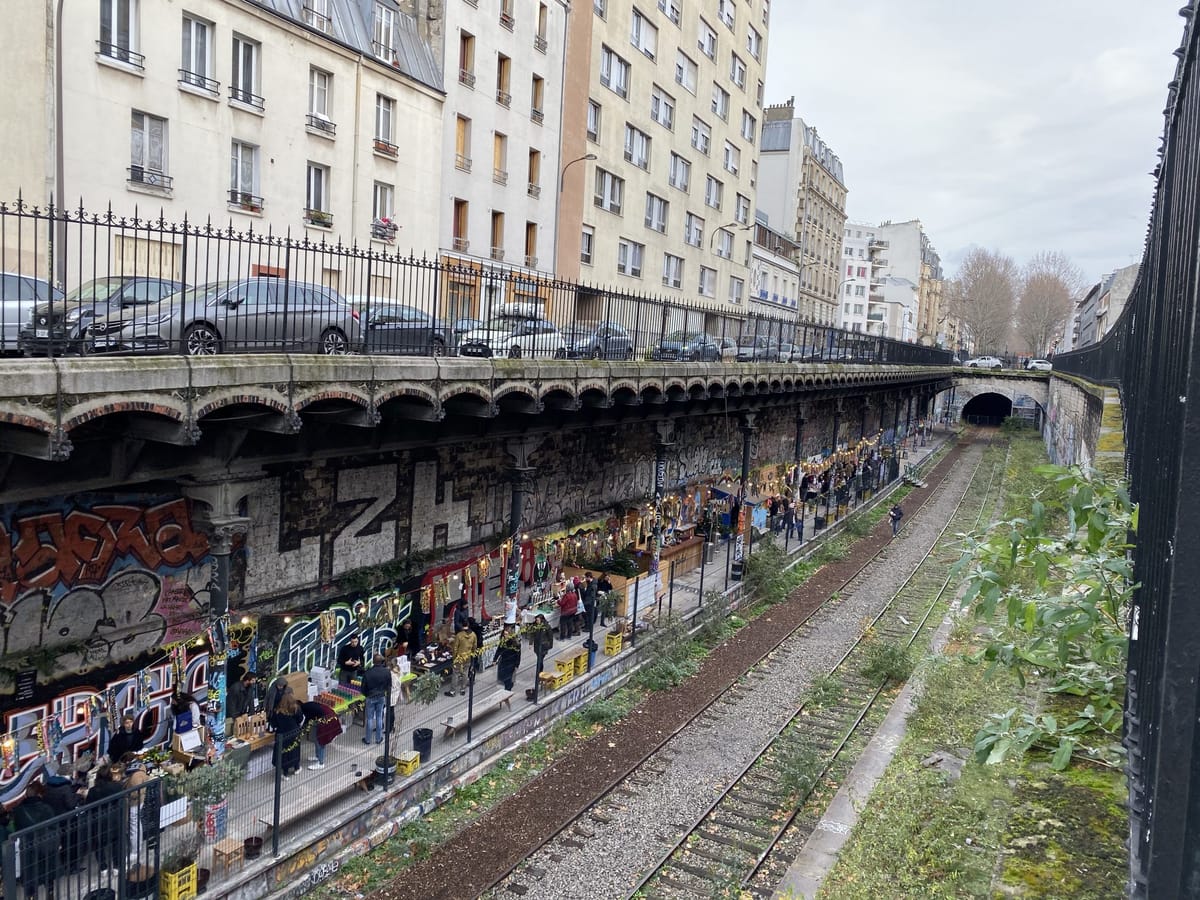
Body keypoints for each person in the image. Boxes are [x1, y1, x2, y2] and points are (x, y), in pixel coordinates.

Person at [13, 781, 58, 896]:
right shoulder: (46, 808)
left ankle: (31, 896)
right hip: (44, 844)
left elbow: (17, 829)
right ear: (39, 794)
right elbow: (54, 827)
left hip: (27, 846)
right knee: (48, 873)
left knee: (30, 877)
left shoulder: (18, 810)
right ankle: (50, 894)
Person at [84, 763, 125, 871]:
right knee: (116, 842)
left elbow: (88, 805)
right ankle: (117, 866)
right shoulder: (117, 787)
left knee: (99, 844)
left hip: (98, 820)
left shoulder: (93, 790)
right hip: (115, 819)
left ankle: (103, 868)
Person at [270, 689, 305, 777]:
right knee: (295, 750)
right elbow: (300, 719)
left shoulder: (278, 711)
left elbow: (274, 723)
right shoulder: (296, 709)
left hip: (282, 734)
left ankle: (285, 772)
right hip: (294, 733)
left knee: (284, 753)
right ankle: (296, 768)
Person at [299, 699, 343, 770]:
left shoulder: (305, 709)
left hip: (327, 720)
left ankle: (320, 763)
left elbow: (307, 720)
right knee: (317, 739)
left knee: (321, 741)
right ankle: (317, 757)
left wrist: (301, 729)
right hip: (328, 716)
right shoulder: (307, 705)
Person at [361, 654, 392, 744]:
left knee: (370, 718)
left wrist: (367, 694)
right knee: (379, 717)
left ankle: (368, 739)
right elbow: (389, 685)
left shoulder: (368, 673)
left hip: (370, 696)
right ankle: (378, 738)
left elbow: (363, 688)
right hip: (381, 696)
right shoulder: (386, 672)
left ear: (373, 662)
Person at [448, 624, 478, 697]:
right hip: (467, 657)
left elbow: (455, 647)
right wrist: (472, 654)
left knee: (455, 673)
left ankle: (452, 691)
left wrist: (454, 657)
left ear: (462, 627)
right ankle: (462, 689)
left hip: (459, 657)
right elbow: (475, 646)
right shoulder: (473, 635)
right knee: (465, 672)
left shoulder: (459, 635)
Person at [495, 624, 522, 690]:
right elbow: (499, 649)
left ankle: (508, 689)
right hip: (503, 661)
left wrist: (517, 665)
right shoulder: (503, 641)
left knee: (508, 678)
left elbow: (518, 655)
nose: (505, 636)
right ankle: (507, 688)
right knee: (503, 677)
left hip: (511, 663)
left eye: (506, 634)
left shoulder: (515, 644)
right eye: (504, 634)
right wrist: (495, 659)